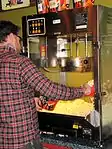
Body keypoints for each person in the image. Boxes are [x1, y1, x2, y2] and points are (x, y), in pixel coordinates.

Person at [0, 20, 93, 149]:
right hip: (23, 140)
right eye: (19, 38)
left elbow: (6, 94)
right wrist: (82, 91)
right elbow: (51, 90)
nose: (19, 43)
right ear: (11, 36)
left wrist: (28, 99)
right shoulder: (19, 62)